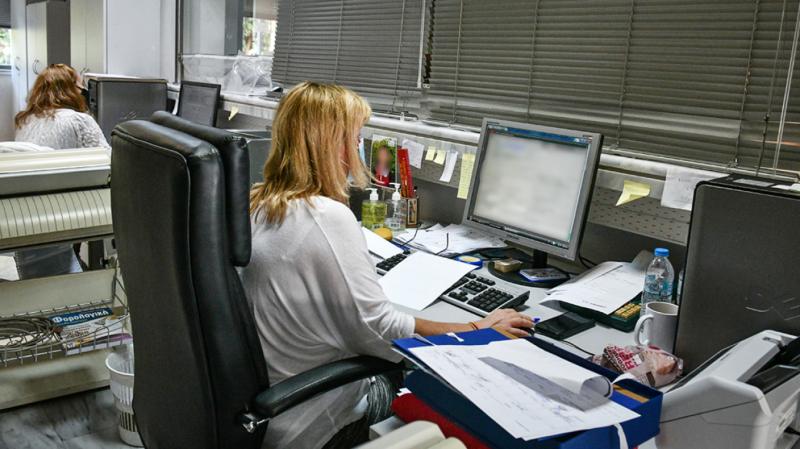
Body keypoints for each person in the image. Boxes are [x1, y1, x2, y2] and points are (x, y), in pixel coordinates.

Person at [241, 82, 533, 449]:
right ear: (331, 144)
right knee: (448, 392)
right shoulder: (325, 217)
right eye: (355, 137)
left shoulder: (260, 203)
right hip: (315, 420)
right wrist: (476, 328)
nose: (358, 148)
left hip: (270, 401)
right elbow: (382, 331)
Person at [12, 64, 110, 279]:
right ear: (71, 90)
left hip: (25, 209)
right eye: (81, 89)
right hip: (63, 208)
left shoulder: (25, 120)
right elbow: (107, 164)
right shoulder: (78, 120)